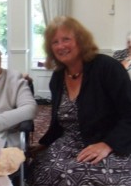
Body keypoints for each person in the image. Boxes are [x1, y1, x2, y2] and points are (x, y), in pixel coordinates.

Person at [27, 16, 131, 185]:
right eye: (55, 42)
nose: (61, 46)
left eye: (66, 39)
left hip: (111, 142)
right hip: (69, 143)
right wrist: (45, 144)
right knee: (46, 169)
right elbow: (58, 122)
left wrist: (107, 145)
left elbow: (129, 115)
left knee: (85, 178)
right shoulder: (58, 77)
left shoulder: (108, 68)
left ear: (81, 41)